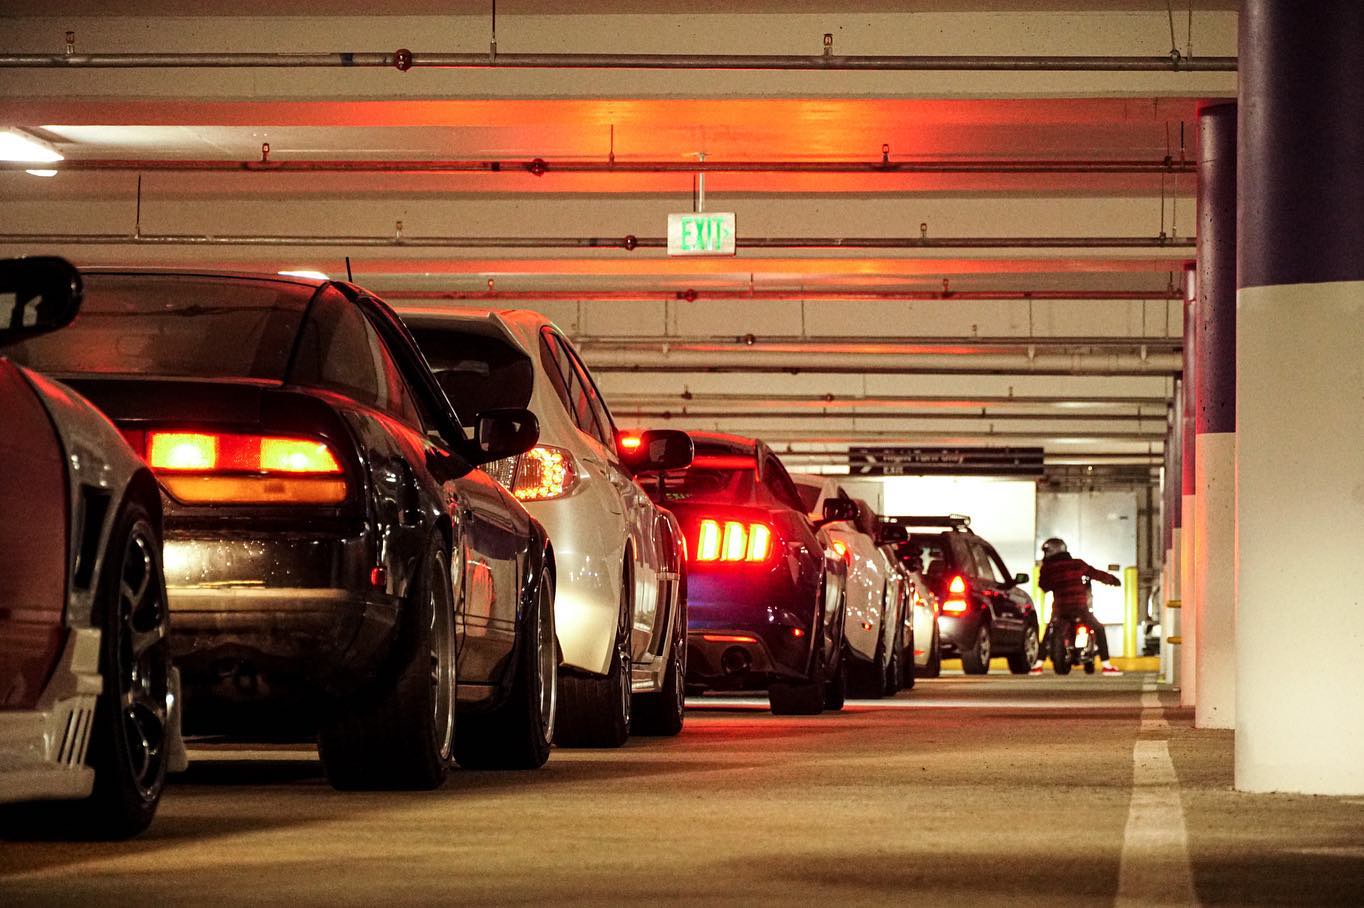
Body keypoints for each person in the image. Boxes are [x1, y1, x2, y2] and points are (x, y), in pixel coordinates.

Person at [1032, 537, 1123, 675]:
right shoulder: (1077, 564)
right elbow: (1096, 574)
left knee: (1049, 631)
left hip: (1060, 608)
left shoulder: (1048, 568)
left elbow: (1043, 586)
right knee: (1098, 629)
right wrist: (1113, 580)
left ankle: (1038, 665)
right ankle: (1106, 665)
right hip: (1080, 608)